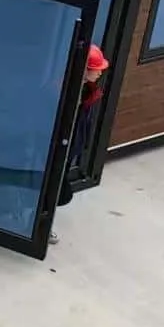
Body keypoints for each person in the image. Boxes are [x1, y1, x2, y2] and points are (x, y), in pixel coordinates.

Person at [49, 44, 109, 245]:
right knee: (58, 192)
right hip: (55, 149)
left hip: (69, 149)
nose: (100, 72)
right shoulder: (63, 90)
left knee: (56, 190)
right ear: (84, 70)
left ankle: (42, 221)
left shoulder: (87, 91)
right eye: (96, 68)